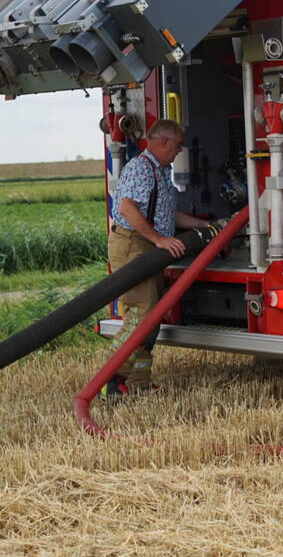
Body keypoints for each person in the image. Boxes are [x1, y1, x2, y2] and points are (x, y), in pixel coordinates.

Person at [103, 119, 208, 399]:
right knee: (140, 314)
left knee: (151, 317)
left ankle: (137, 382)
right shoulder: (141, 168)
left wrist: (204, 226)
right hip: (133, 246)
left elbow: (167, 215)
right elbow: (126, 208)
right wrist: (159, 240)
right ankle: (113, 380)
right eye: (177, 145)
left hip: (147, 248)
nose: (179, 151)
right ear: (163, 142)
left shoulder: (159, 171)